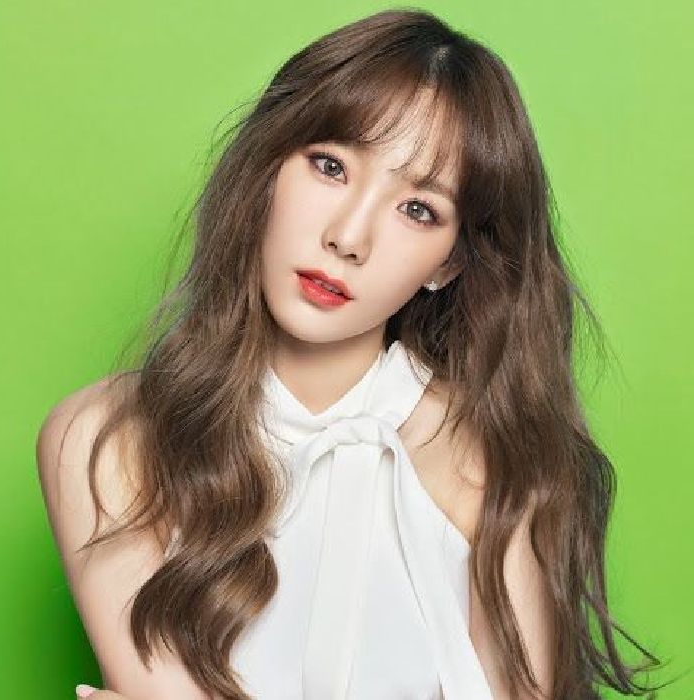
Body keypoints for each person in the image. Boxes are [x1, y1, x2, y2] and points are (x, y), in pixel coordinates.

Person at [36, 8, 669, 700]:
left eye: (418, 209)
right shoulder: (106, 438)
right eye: (330, 166)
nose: (349, 237)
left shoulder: (497, 462)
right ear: (266, 171)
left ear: (449, 263)